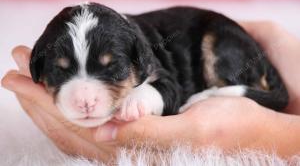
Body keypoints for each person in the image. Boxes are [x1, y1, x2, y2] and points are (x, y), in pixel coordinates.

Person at [2, 21, 300, 163]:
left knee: (220, 49)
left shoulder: (141, 51)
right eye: (61, 70)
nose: (85, 97)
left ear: (139, 62)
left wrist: (146, 98)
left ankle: (239, 88)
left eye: (111, 70)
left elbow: (167, 88)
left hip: (214, 35)